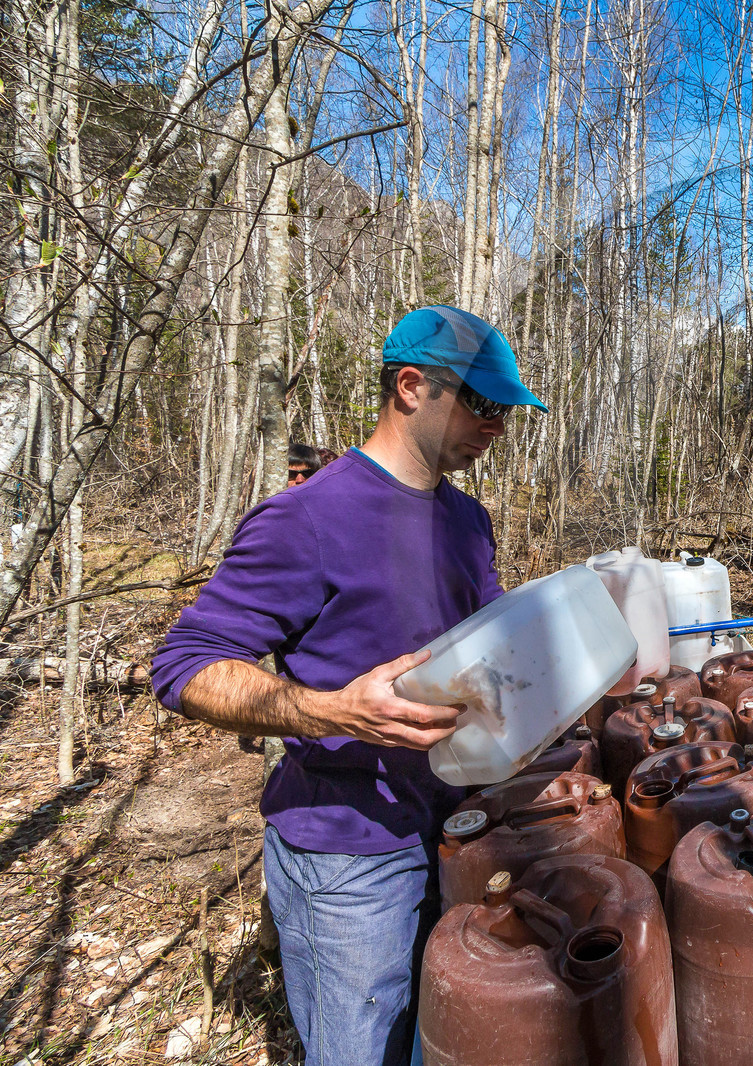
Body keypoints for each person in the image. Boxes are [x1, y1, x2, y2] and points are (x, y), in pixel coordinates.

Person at [151, 306, 547, 1066]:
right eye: (484, 403)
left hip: (458, 824)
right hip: (349, 857)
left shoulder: (468, 520)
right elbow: (186, 665)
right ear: (410, 387)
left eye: (508, 410)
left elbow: (482, 640)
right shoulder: (306, 518)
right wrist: (331, 710)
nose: (499, 425)